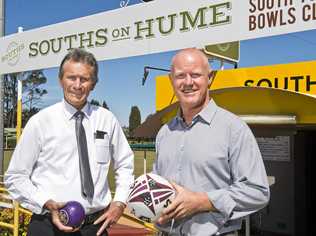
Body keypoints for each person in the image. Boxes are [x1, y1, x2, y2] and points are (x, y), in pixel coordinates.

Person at [5, 48, 134, 236]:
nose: (77, 85)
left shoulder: (107, 120)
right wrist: (45, 202)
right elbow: (15, 177)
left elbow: (125, 165)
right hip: (47, 226)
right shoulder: (41, 121)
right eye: (71, 78)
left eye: (85, 79)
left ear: (94, 84)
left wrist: (120, 202)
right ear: (60, 80)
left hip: (95, 227)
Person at [153, 48, 270, 235]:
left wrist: (204, 201)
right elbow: (157, 184)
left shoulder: (234, 129)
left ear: (210, 78)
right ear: (171, 80)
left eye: (196, 75)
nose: (188, 82)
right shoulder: (164, 132)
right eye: (180, 76)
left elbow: (257, 191)